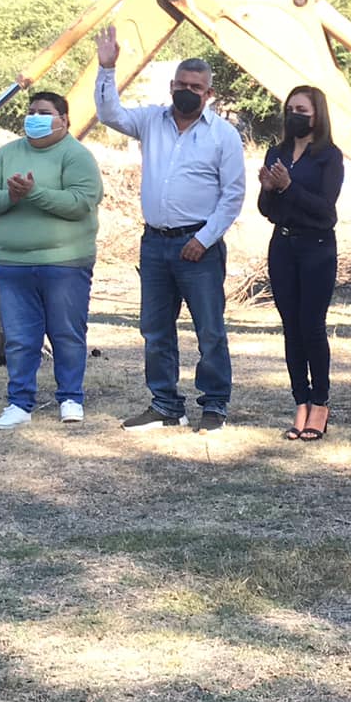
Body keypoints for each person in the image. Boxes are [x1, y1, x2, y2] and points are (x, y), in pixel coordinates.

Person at [92, 26, 246, 431]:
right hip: (155, 244)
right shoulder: (150, 121)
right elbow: (109, 114)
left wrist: (203, 239)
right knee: (155, 330)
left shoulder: (223, 135)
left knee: (209, 330)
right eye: (181, 84)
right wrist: (107, 69)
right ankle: (164, 404)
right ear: (171, 84)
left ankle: (214, 404)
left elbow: (232, 196)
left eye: (196, 86)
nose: (187, 91)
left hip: (199, 246)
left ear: (208, 93)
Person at [0, 92, 103, 429]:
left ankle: (71, 398)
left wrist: (33, 194)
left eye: (44, 113)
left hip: (64, 263)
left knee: (66, 333)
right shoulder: (7, 153)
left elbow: (80, 201)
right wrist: (11, 196)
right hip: (12, 264)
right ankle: (19, 403)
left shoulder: (76, 155)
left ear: (63, 119)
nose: (35, 117)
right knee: (19, 338)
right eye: (31, 111)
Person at [259, 85, 344, 442]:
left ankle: (320, 403)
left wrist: (289, 187)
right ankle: (300, 401)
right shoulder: (276, 152)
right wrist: (269, 190)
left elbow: (326, 211)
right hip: (283, 245)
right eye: (290, 108)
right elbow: (268, 211)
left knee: (311, 325)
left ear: (317, 115)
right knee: (290, 327)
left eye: (302, 110)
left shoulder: (329, 156)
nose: (295, 115)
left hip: (317, 247)